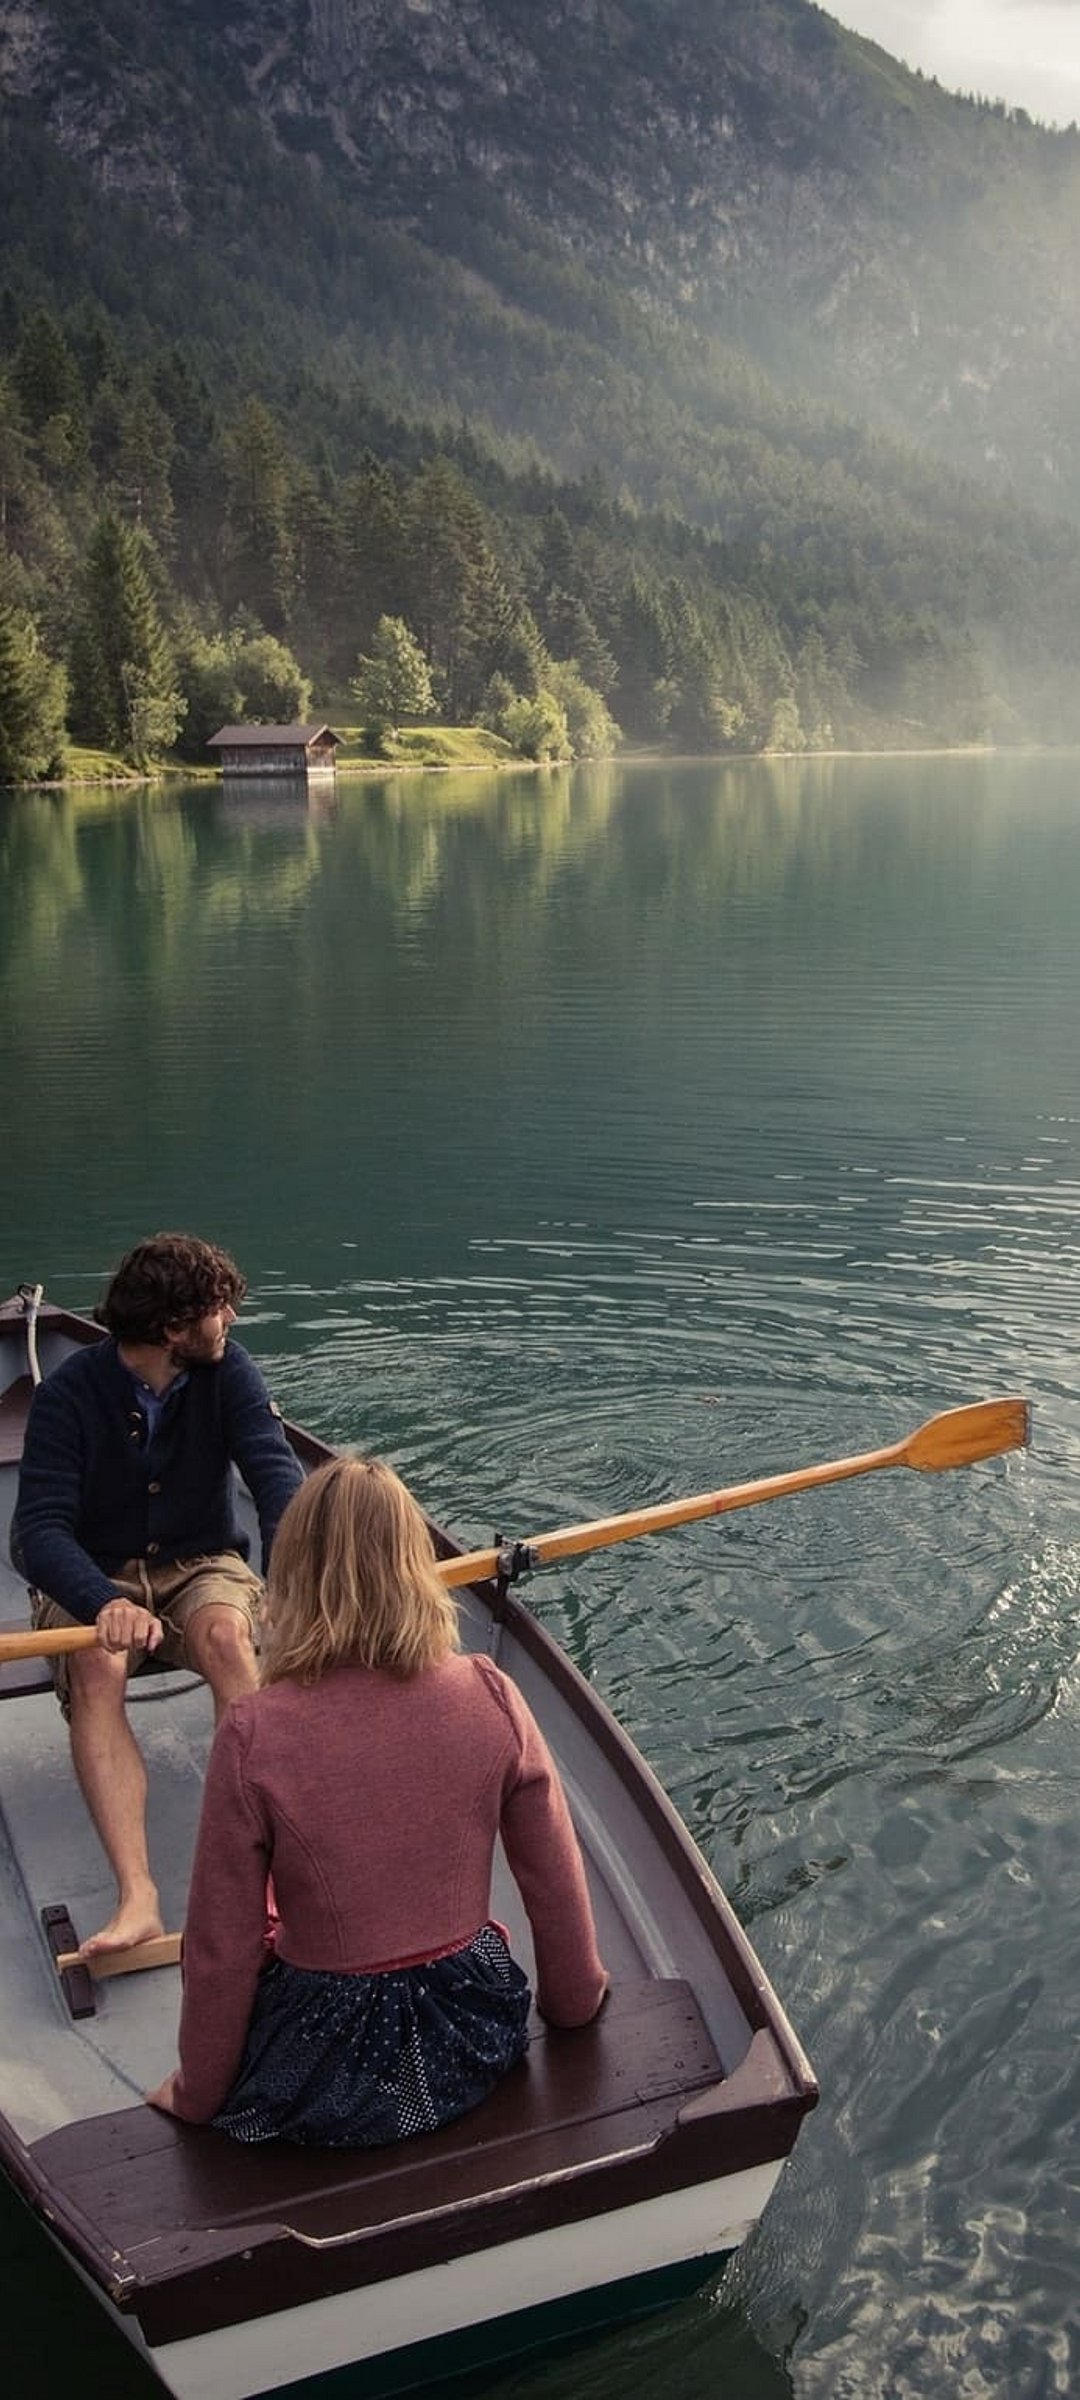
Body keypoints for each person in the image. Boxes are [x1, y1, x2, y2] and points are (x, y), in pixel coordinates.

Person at [146, 1455, 609, 2145]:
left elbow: (222, 1947)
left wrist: (196, 2091)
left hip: (326, 2066)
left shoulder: (254, 1731)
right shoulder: (489, 1694)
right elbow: (554, 1883)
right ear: (415, 1565)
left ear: (294, 1574)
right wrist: (573, 2008)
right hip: (468, 2036)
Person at [12, 1232, 304, 1963]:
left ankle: (267, 1870)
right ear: (174, 1329)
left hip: (201, 1562)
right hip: (94, 1570)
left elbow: (276, 1481)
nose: (231, 1319)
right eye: (218, 1309)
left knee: (229, 1640)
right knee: (98, 1668)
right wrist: (96, 1599)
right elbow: (37, 1534)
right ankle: (137, 1896)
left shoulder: (229, 1372)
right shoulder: (71, 1395)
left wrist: (299, 1580)